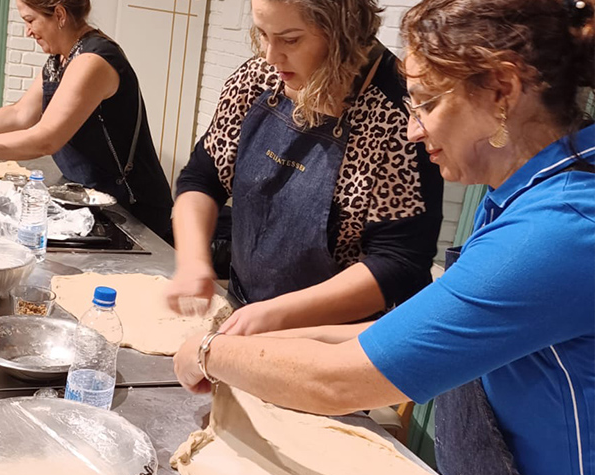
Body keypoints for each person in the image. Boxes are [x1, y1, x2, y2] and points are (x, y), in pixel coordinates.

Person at [173, 0, 595, 475]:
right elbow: (423, 332)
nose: (414, 130)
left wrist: (209, 351)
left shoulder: (556, 229)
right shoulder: (533, 187)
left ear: (502, 90)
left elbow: (339, 383)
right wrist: (271, 332)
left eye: (428, 103)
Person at [165, 0, 443, 334]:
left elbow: (399, 263)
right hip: (245, 313)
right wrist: (194, 261)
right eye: (263, 34)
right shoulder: (259, 80)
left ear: (342, 32)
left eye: (290, 39)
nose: (271, 56)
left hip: (334, 340)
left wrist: (278, 314)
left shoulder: (397, 117)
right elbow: (203, 177)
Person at [0, 0, 174, 240]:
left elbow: (46, 139)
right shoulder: (60, 60)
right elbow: (21, 113)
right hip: (93, 196)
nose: (28, 31)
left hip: (131, 208)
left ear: (59, 14)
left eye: (30, 20)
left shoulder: (93, 61)